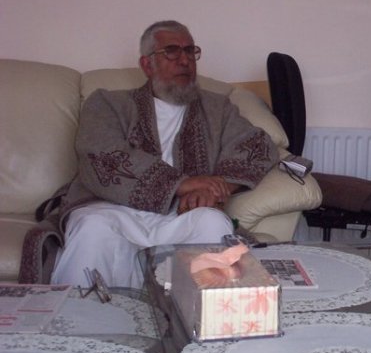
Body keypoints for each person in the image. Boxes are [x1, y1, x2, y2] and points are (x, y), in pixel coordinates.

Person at [43, 20, 278, 289]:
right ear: (147, 64)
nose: (184, 60)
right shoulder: (109, 103)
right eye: (172, 51)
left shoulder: (217, 108)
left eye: (190, 51)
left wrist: (215, 188)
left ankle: (201, 313)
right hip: (112, 209)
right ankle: (80, 314)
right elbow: (102, 156)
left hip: (180, 215)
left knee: (212, 223)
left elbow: (257, 146)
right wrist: (182, 185)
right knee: (92, 230)